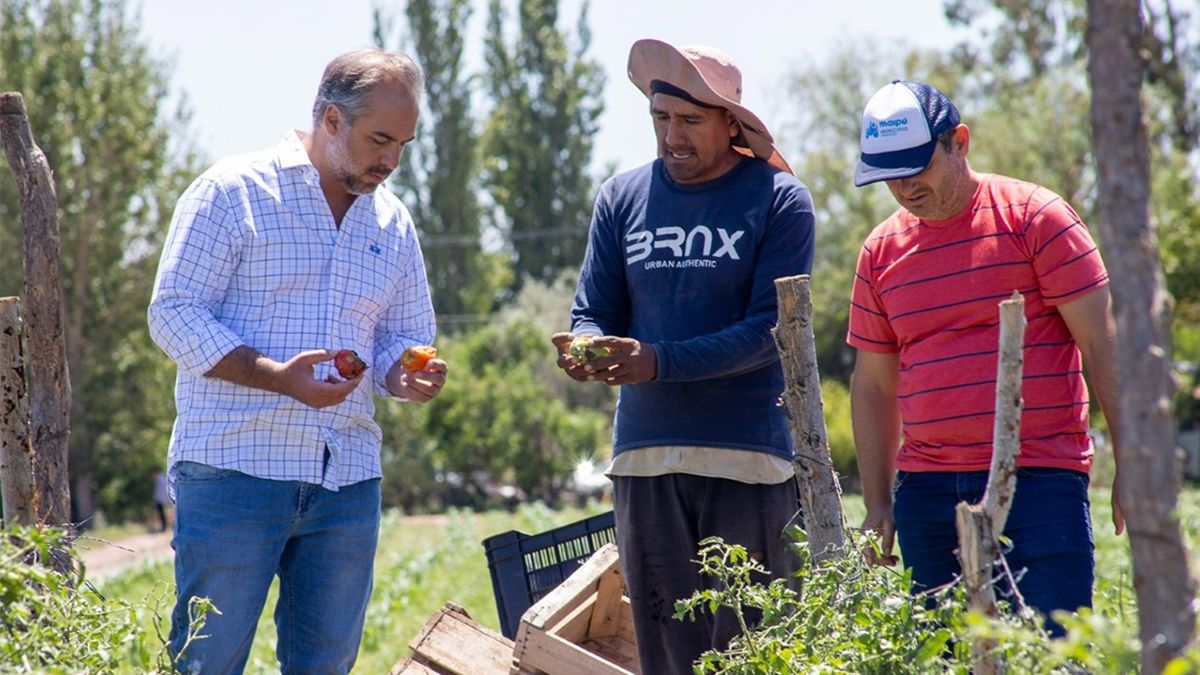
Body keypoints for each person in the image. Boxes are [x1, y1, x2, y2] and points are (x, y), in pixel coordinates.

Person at [148, 48, 446, 673]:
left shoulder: (392, 223)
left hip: (347, 480)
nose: (391, 160)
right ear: (332, 121)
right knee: (208, 664)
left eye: (404, 144)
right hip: (234, 471)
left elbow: (404, 335)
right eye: (380, 139)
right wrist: (277, 378)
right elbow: (172, 313)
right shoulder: (232, 193)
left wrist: (403, 373)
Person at [552, 39, 815, 674]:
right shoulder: (621, 197)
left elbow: (770, 332)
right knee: (667, 658)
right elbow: (594, 308)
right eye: (660, 119)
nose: (672, 136)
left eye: (691, 121)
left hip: (748, 460)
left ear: (733, 124)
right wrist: (585, 347)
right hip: (645, 458)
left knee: (755, 653)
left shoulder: (779, 200)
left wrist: (658, 361)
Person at [847, 79, 1124, 633]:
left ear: (960, 142)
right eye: (888, 175)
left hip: (1040, 479)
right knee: (944, 657)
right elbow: (874, 385)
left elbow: (1103, 344)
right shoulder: (880, 252)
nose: (904, 186)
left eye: (916, 166)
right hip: (926, 493)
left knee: (1052, 651)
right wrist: (879, 503)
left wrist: (1134, 464)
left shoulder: (1035, 218)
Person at [152, 468, 169, 532]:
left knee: (161, 514)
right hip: (160, 500)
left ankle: (164, 527)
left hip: (160, 500)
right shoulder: (161, 479)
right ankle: (163, 527)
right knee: (161, 514)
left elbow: (160, 492)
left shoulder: (160, 479)